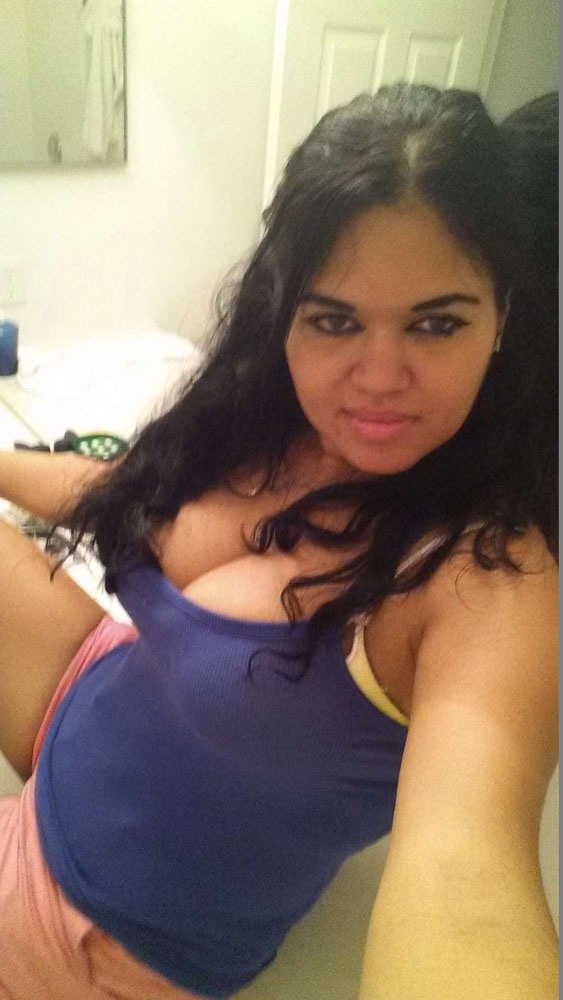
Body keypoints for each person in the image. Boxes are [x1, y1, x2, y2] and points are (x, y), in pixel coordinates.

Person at [0, 83, 558, 1000]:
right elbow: (122, 492)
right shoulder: (270, 418)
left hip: (88, 919)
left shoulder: (486, 580)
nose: (377, 377)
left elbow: (467, 892)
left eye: (435, 322)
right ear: (285, 310)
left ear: (502, 315)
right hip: (86, 690)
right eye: (333, 319)